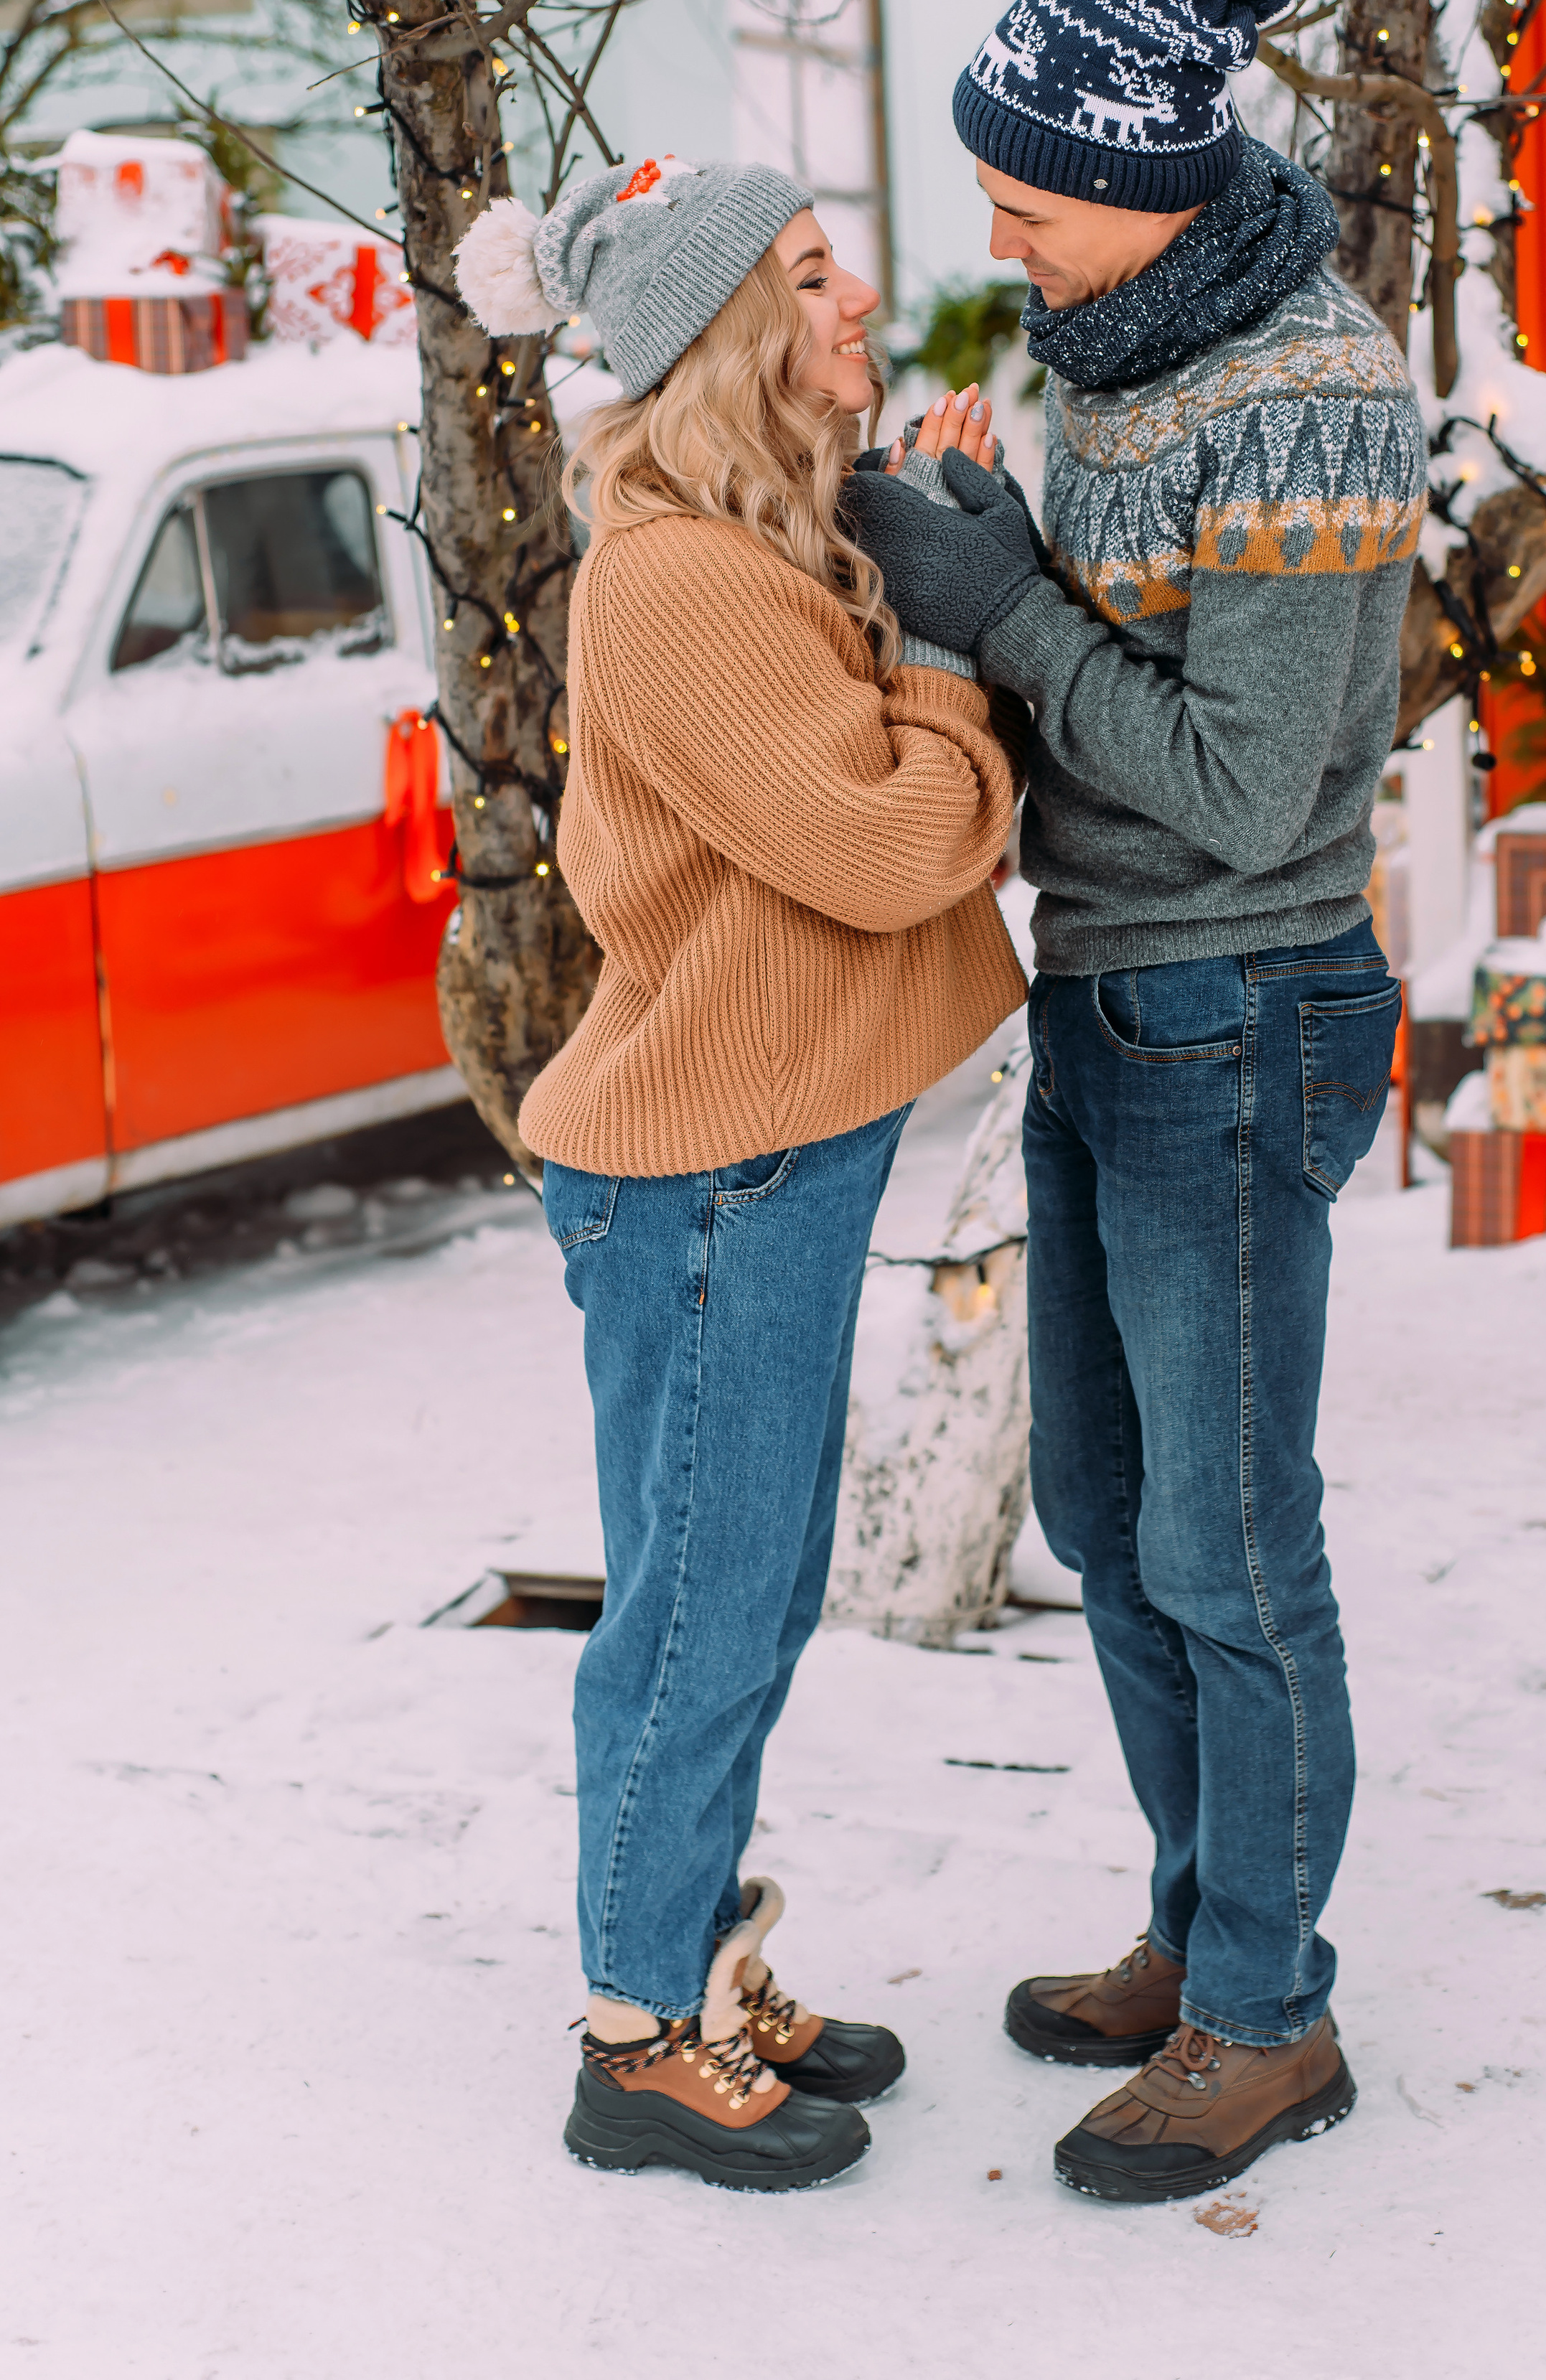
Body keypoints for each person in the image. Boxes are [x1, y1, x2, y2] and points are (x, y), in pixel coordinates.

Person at [844, 0, 1429, 2205]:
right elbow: (1110, 662)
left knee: (1228, 1537)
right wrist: (992, 552)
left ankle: (1270, 2011)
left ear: (1156, 178)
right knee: (1104, 1513)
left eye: (1029, 206)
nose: (1000, 245)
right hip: (1103, 995)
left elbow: (1244, 778)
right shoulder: (1118, 348)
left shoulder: (1302, 384)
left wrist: (995, 602)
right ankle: (1206, 1925)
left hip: (1237, 998)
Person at [454, 156, 1026, 2193]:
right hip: (709, 1177)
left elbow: (874, 789)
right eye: (808, 275)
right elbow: (885, 842)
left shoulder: (749, 532)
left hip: (756, 1160)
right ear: (721, 338)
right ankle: (637, 2027)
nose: (859, 294)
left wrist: (918, 555)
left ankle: (689, 1944)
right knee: (706, 1607)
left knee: (751, 1583)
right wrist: (957, 659)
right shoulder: (679, 580)